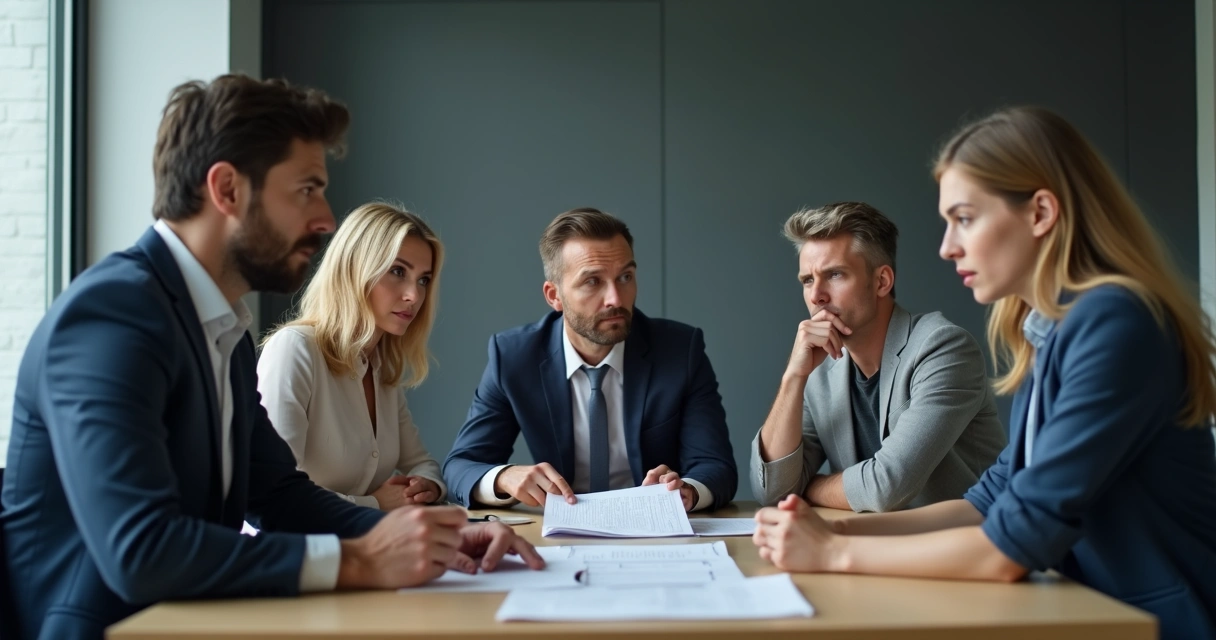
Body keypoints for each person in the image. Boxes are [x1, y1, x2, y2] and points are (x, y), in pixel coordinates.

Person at [0, 74, 540, 640]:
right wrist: (361, 559)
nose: (326, 219)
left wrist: (433, 536)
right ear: (227, 189)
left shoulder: (223, 331)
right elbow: (142, 550)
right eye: (306, 189)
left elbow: (278, 495)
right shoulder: (112, 315)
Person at [752, 107, 1216, 640]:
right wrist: (835, 529)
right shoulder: (1054, 330)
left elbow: (1012, 543)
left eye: (965, 218)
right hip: (1088, 609)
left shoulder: (1113, 323)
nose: (947, 246)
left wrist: (833, 551)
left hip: (1157, 623)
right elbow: (990, 500)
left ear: (1040, 213)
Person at [443, 207, 737, 511]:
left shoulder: (679, 350)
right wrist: (504, 477)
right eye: (593, 281)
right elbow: (460, 466)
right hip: (562, 525)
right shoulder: (514, 357)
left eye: (625, 277)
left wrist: (687, 491)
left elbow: (715, 466)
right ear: (554, 296)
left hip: (652, 525)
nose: (615, 299)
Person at [751, 202, 1005, 512]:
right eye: (807, 280)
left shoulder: (944, 348)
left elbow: (886, 486)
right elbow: (771, 490)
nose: (816, 295)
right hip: (864, 538)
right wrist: (794, 376)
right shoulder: (818, 368)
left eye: (834, 274)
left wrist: (807, 487)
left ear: (882, 281)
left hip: (959, 539)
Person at [258, 202, 447, 510]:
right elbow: (272, 492)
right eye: (397, 271)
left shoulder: (381, 368)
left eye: (423, 279)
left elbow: (422, 463)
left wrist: (426, 487)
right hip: (300, 540)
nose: (414, 295)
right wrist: (373, 503)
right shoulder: (295, 349)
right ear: (353, 270)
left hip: (368, 537)